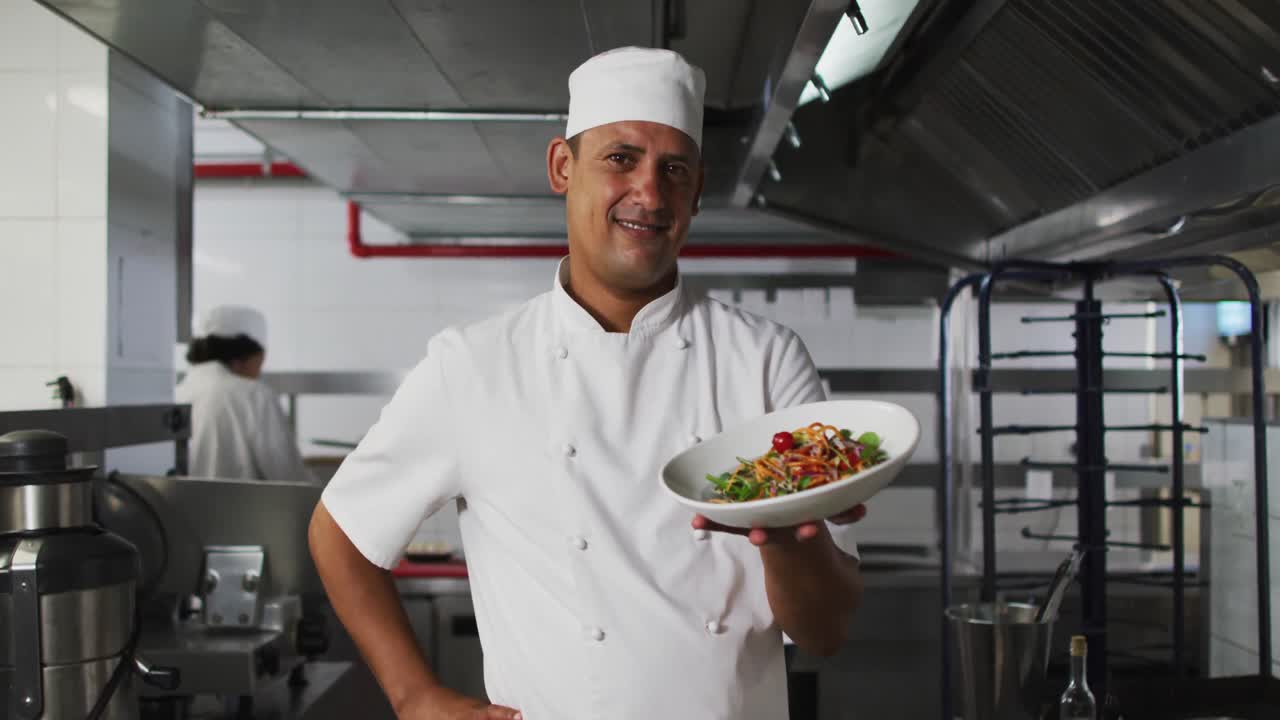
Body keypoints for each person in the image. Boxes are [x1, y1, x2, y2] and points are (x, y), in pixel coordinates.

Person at [309, 47, 865, 720]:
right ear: (562, 167)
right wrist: (413, 695)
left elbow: (826, 632)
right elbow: (339, 532)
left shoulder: (767, 361)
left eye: (674, 169)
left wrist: (781, 538)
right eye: (620, 159)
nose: (650, 194)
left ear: (695, 189)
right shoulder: (475, 365)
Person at [176, 305, 313, 483]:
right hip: (243, 508)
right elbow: (288, 476)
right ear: (250, 355)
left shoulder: (178, 392)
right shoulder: (255, 395)